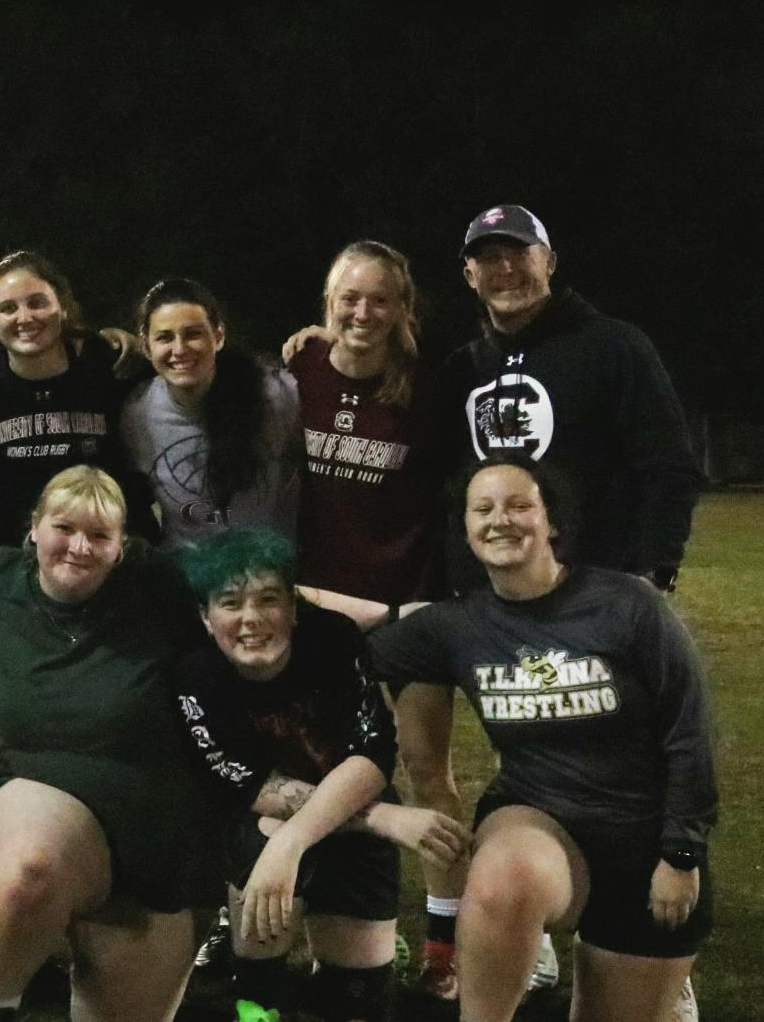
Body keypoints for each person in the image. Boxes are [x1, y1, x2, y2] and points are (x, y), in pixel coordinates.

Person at [364, 455, 717, 1022]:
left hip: (644, 843)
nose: (500, 520)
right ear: (466, 531)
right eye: (482, 509)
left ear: (551, 522)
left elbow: (690, 731)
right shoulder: (456, 626)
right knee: (505, 873)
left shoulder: (627, 605)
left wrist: (681, 853)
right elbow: (330, 651)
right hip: (539, 821)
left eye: (519, 505)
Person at [0, 465, 221, 1022]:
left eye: (98, 536)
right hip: (41, 790)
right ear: (34, 528)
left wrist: (393, 616)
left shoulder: (160, 588)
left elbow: (270, 601)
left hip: (160, 835)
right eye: (63, 528)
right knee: (31, 872)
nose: (77, 547)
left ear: (123, 547)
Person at [173, 528, 469, 1022]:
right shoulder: (195, 676)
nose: (250, 618)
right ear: (206, 618)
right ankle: (257, 1006)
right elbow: (249, 788)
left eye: (268, 599)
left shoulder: (333, 638)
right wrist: (385, 821)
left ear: (292, 607)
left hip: (344, 802)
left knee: (358, 1002)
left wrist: (292, 841)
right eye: (230, 603)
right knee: (261, 877)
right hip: (261, 820)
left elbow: (374, 753)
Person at [286, 241, 464, 998]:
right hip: (315, 610)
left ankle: (445, 944)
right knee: (301, 763)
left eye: (378, 299)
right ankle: (272, 919)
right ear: (326, 302)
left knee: (427, 769)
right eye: (346, 298)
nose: (361, 312)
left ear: (402, 308)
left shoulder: (431, 385)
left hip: (407, 606)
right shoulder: (296, 371)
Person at [446, 205, 701, 591]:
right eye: (490, 258)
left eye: (519, 253)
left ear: (549, 262)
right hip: (490, 599)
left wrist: (656, 571)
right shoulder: (463, 369)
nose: (507, 269)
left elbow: (669, 466)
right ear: (470, 275)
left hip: (595, 591)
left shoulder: (614, 347)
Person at [0, 250, 155, 544]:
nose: (24, 317)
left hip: (118, 545)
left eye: (37, 303)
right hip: (30, 554)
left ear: (62, 308)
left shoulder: (110, 363)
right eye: (8, 308)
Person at [119, 277, 300, 547]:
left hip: (265, 575)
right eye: (165, 337)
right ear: (146, 346)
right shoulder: (136, 414)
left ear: (218, 336)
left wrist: (332, 342)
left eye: (193, 334)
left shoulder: (275, 395)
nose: (179, 349)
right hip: (187, 577)